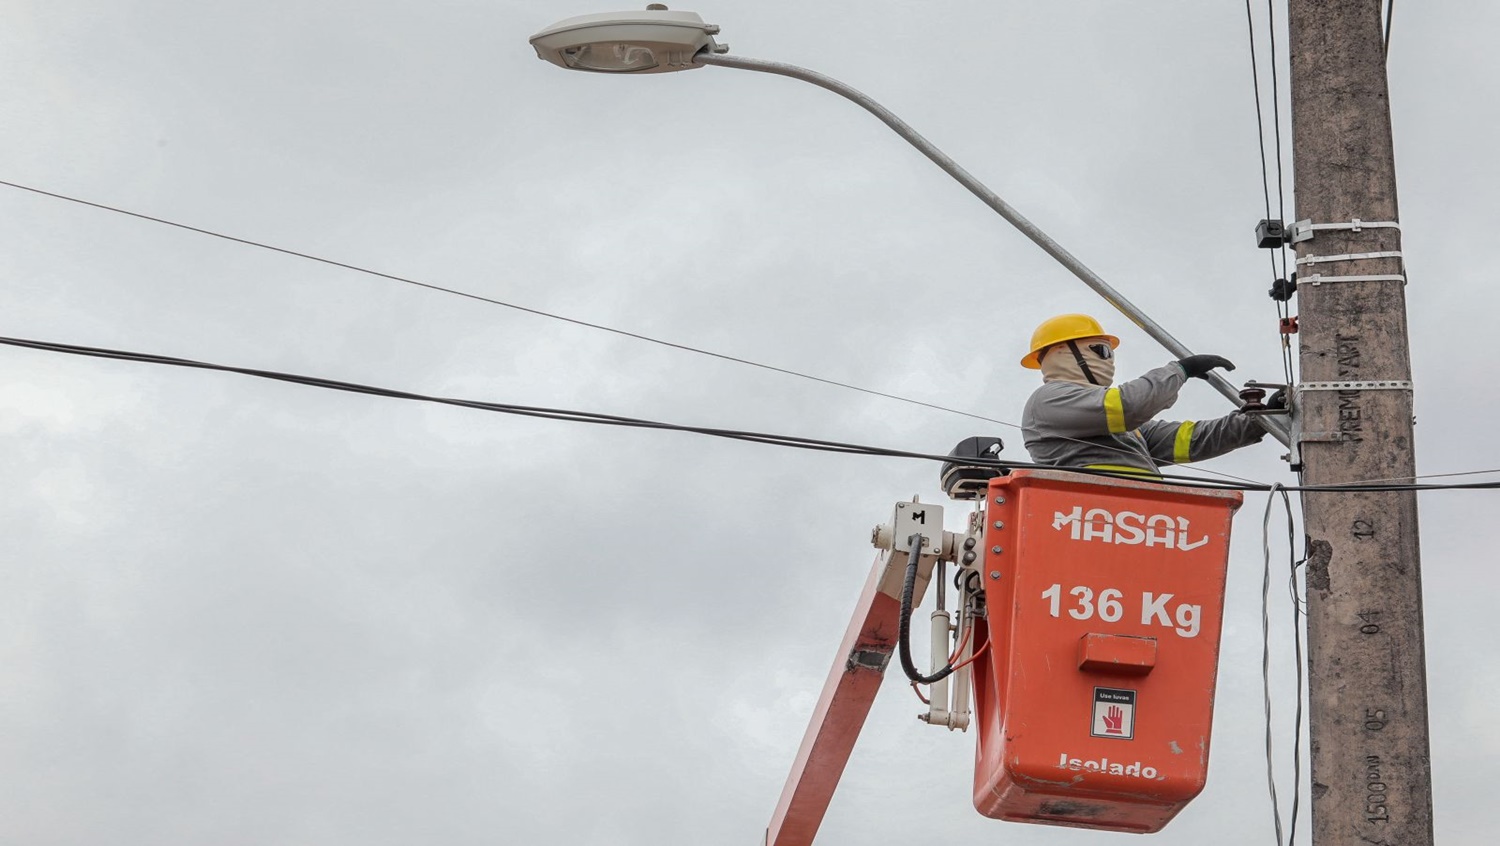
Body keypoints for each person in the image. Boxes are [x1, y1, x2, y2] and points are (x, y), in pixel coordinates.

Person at [1019, 313, 1280, 476]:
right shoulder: (1048, 401)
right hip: (1088, 514)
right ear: (1063, 353)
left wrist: (1258, 420)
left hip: (1141, 519)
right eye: (1102, 351)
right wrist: (1180, 370)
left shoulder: (1124, 429)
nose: (1110, 361)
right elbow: (1130, 405)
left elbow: (1190, 440)